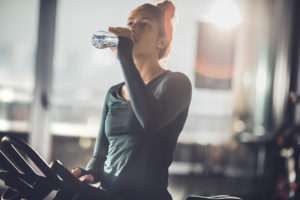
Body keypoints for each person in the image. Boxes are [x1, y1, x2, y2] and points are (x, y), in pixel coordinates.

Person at [72, 1, 192, 200]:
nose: (133, 28)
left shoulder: (176, 83)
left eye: (144, 24)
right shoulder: (113, 93)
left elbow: (150, 120)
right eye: (130, 23)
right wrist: (88, 174)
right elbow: (100, 157)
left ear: (161, 42)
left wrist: (125, 57)